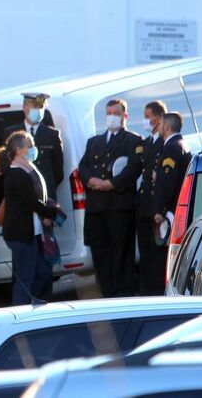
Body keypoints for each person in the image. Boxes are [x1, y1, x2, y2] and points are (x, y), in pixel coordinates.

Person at [77, 99, 142, 298]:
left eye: (116, 112)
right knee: (101, 253)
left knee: (121, 253)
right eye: (109, 112)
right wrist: (92, 181)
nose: (112, 116)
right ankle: (106, 292)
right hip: (97, 207)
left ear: (124, 116)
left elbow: (134, 168)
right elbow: (83, 167)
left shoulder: (132, 140)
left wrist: (111, 184)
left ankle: (123, 294)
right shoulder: (94, 142)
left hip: (119, 206)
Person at [0, 131, 61, 305]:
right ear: (18, 150)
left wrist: (47, 211)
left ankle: (35, 307)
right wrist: (51, 212)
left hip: (32, 232)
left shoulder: (26, 169)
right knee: (25, 278)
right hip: (21, 234)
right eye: (29, 146)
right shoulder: (17, 173)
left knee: (41, 272)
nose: (33, 149)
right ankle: (20, 314)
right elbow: (31, 202)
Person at [3, 93, 64, 200]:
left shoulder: (52, 135)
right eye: (35, 106)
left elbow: (58, 172)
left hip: (45, 196)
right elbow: (6, 165)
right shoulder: (11, 133)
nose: (39, 110)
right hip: (20, 195)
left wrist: (43, 186)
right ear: (24, 107)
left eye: (41, 107)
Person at [152, 113, 193, 264]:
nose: (159, 128)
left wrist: (160, 210)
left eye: (161, 125)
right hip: (179, 206)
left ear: (167, 127)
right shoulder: (181, 143)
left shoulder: (171, 147)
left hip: (171, 210)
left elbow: (167, 182)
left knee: (172, 256)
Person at [136, 101, 167, 295]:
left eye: (148, 116)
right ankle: (147, 290)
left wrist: (160, 209)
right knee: (145, 251)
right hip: (143, 205)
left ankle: (157, 291)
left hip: (157, 206)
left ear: (159, 118)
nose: (146, 120)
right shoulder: (146, 143)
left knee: (158, 254)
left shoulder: (166, 142)